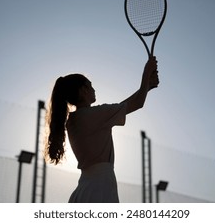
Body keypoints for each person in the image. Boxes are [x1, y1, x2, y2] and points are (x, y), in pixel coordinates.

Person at [44, 56, 159, 203]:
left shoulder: (76, 120)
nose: (94, 89)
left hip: (87, 188)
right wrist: (146, 72)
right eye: (90, 85)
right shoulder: (92, 116)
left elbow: (124, 105)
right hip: (99, 188)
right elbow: (136, 103)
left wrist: (146, 87)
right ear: (83, 91)